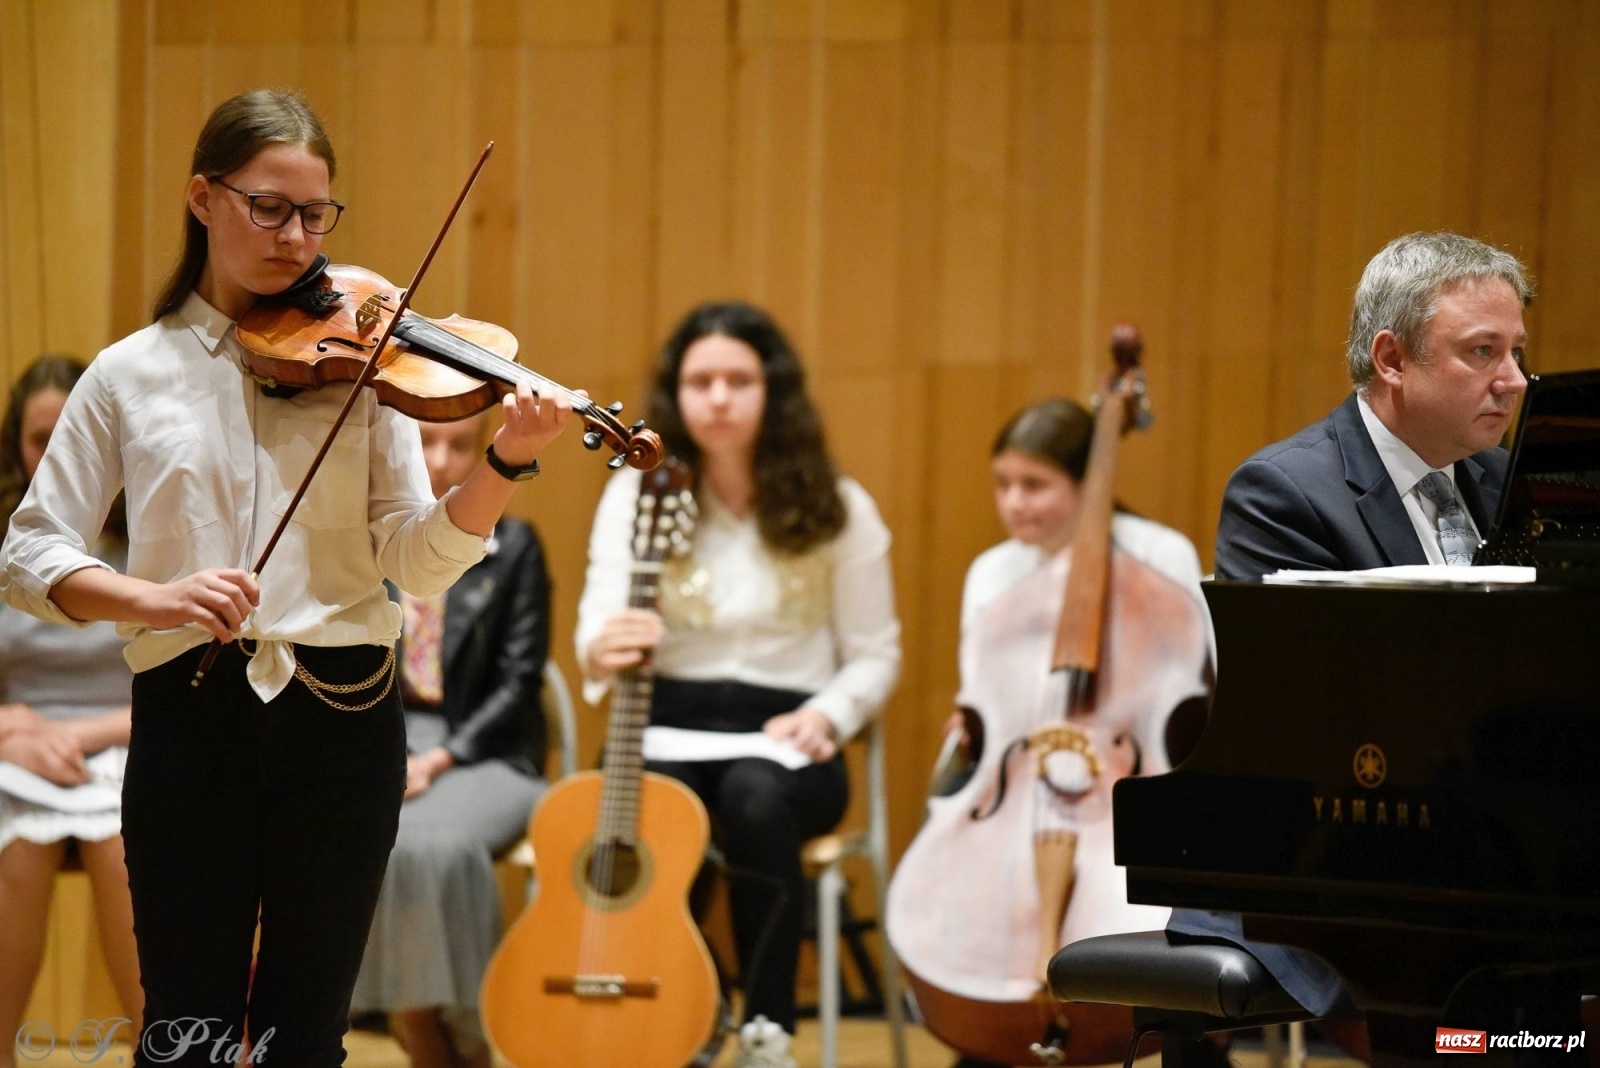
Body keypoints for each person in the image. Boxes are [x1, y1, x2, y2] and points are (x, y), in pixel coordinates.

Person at [0, 88, 570, 1067]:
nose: (298, 238)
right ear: (203, 198)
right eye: (271, 207)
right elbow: (31, 553)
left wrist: (502, 468)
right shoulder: (129, 375)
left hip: (347, 719)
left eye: (315, 214)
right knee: (185, 1031)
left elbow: (414, 558)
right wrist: (156, 598)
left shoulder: (362, 359)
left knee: (307, 1036)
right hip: (188, 711)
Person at [1170, 231, 1533, 1041]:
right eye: (1483, 352)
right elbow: (1298, 715)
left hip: (1486, 829)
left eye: (1517, 352)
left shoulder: (1507, 480)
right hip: (1340, 844)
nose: (1513, 381)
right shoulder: (1284, 491)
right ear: (1393, 359)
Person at [574, 300, 901, 1066]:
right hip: (665, 723)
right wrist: (605, 646)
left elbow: (877, 652)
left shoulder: (839, 507)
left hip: (788, 736)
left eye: (738, 380)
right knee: (657, 805)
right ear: (676, 396)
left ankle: (768, 1032)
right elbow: (593, 633)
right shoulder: (637, 492)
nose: (717, 397)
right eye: (700, 381)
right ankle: (673, 1021)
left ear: (772, 391)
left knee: (755, 798)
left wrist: (830, 714)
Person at [939, 398, 1208, 1068]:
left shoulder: (1159, 554)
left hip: (1125, 777)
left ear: (1090, 482)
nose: (1014, 504)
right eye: (1003, 484)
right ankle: (992, 1030)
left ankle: (1180, 1032)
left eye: (1034, 485)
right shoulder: (992, 572)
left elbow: (1185, 692)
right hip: (1025, 777)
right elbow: (986, 694)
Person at [350, 412, 552, 1068]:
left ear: (483, 450)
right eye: (424, 442)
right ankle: (426, 1033)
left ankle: (456, 1032)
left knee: (435, 845)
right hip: (391, 742)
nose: (440, 458)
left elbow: (520, 687)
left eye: (459, 444)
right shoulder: (368, 538)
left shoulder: (516, 545)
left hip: (488, 750)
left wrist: (441, 758)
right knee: (375, 837)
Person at [0, 355, 141, 1068]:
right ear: (15, 446)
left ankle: (167, 1046)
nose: (51, 455)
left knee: (123, 850)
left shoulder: (146, 537)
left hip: (124, 739)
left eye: (68, 436)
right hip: (14, 752)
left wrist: (73, 733)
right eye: (36, 439)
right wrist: (8, 734)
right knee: (17, 856)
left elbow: (177, 689)